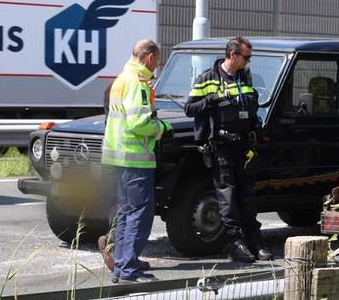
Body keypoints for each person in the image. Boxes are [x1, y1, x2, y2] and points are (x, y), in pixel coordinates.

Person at [184, 36, 270, 263]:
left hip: (244, 145)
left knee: (248, 196)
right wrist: (210, 100)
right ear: (233, 55)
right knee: (228, 197)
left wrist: (256, 129)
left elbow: (252, 109)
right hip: (221, 146)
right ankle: (234, 243)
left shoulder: (247, 77)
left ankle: (255, 240)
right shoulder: (208, 78)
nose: (248, 61)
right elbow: (189, 108)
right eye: (246, 57)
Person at [102, 39, 171, 283]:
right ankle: (129, 269)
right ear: (150, 57)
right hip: (135, 159)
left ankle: (121, 266)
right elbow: (139, 123)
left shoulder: (121, 78)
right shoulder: (138, 83)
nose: (156, 67)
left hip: (118, 157)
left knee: (125, 212)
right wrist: (162, 127)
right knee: (139, 213)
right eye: (157, 61)